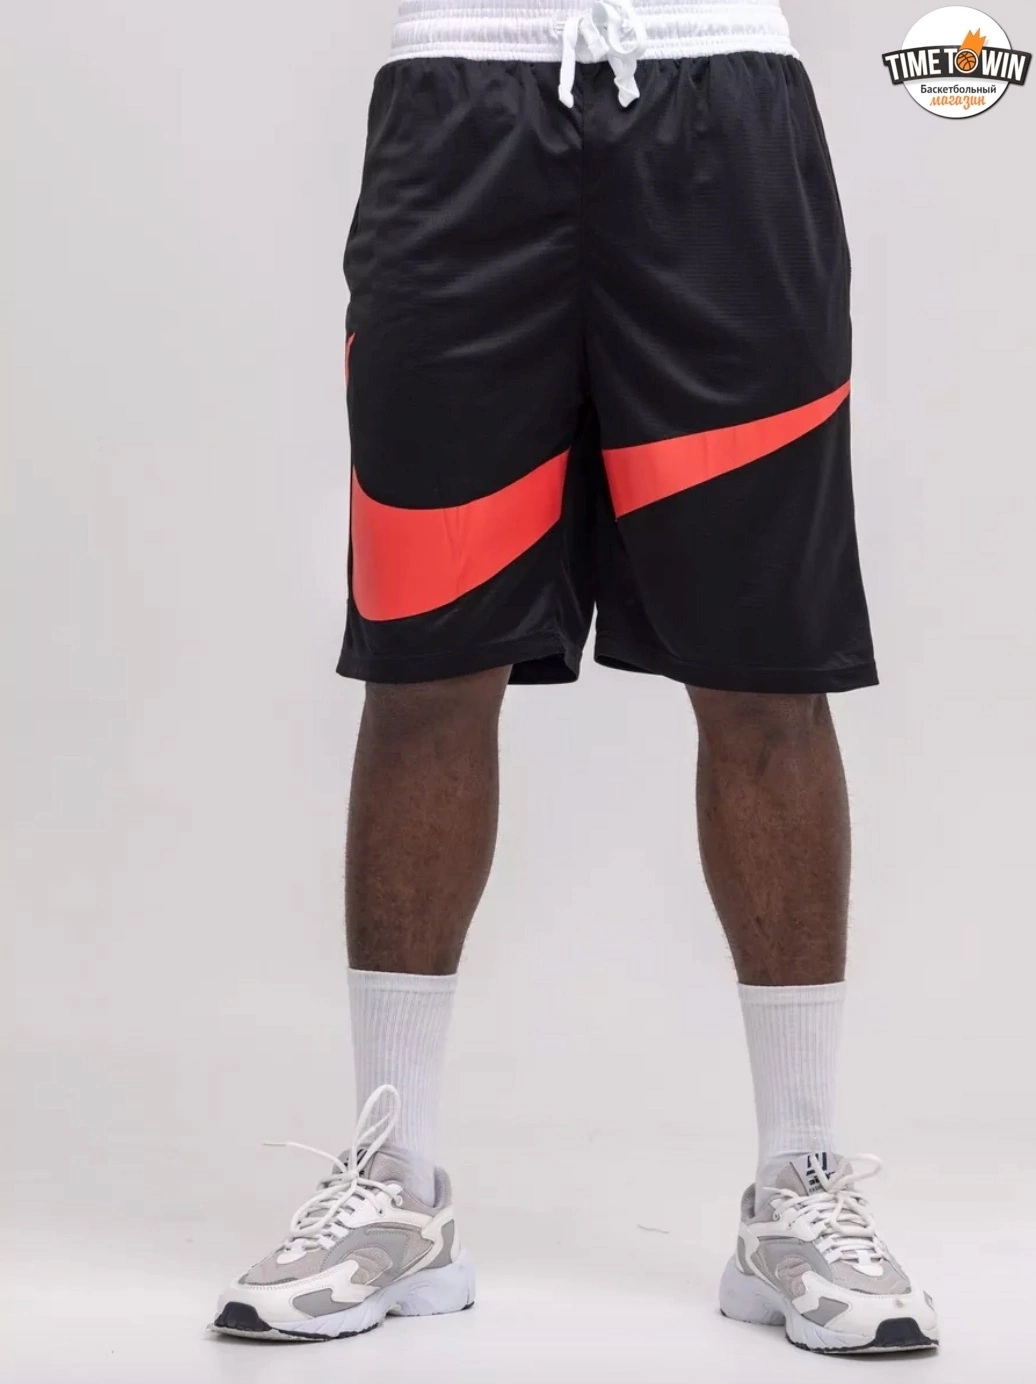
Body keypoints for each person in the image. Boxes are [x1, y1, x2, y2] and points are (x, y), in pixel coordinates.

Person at [212, 0, 938, 1355]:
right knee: (427, 656)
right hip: (457, 99)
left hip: (723, 100)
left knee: (768, 668)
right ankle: (398, 1189)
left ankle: (797, 1186)